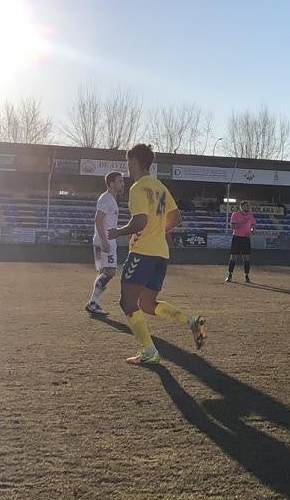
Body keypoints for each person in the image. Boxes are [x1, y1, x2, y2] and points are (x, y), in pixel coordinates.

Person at [108, 144, 207, 364]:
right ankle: (191, 321)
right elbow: (176, 218)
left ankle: (149, 351)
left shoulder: (138, 188)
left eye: (128, 163)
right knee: (147, 304)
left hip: (142, 253)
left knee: (127, 302)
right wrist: (156, 232)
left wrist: (118, 232)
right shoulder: (160, 187)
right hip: (161, 253)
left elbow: (140, 221)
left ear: (133, 162)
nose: (128, 167)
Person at [86, 171, 125, 317]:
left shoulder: (111, 199)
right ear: (111, 183)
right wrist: (104, 240)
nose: (123, 184)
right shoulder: (106, 198)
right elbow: (98, 219)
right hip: (105, 241)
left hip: (102, 240)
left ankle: (93, 303)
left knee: (103, 272)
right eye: (120, 181)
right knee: (109, 272)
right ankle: (93, 302)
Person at [225, 204, 257, 283]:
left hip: (246, 238)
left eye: (248, 206)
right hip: (237, 237)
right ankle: (230, 275)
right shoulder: (235, 214)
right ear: (241, 207)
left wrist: (251, 232)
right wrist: (242, 223)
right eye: (245, 206)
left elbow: (253, 226)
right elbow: (232, 226)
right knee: (233, 257)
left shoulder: (250, 215)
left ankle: (246, 276)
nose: (247, 207)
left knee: (246, 258)